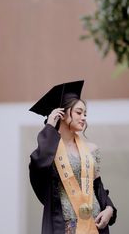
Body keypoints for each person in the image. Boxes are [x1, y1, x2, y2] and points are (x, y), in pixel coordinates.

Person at [29, 80, 117, 234]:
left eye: (85, 114)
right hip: (66, 227)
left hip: (95, 225)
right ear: (62, 114)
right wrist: (49, 126)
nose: (83, 117)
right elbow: (38, 164)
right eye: (78, 112)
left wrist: (109, 208)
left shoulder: (91, 149)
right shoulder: (50, 151)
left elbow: (98, 187)